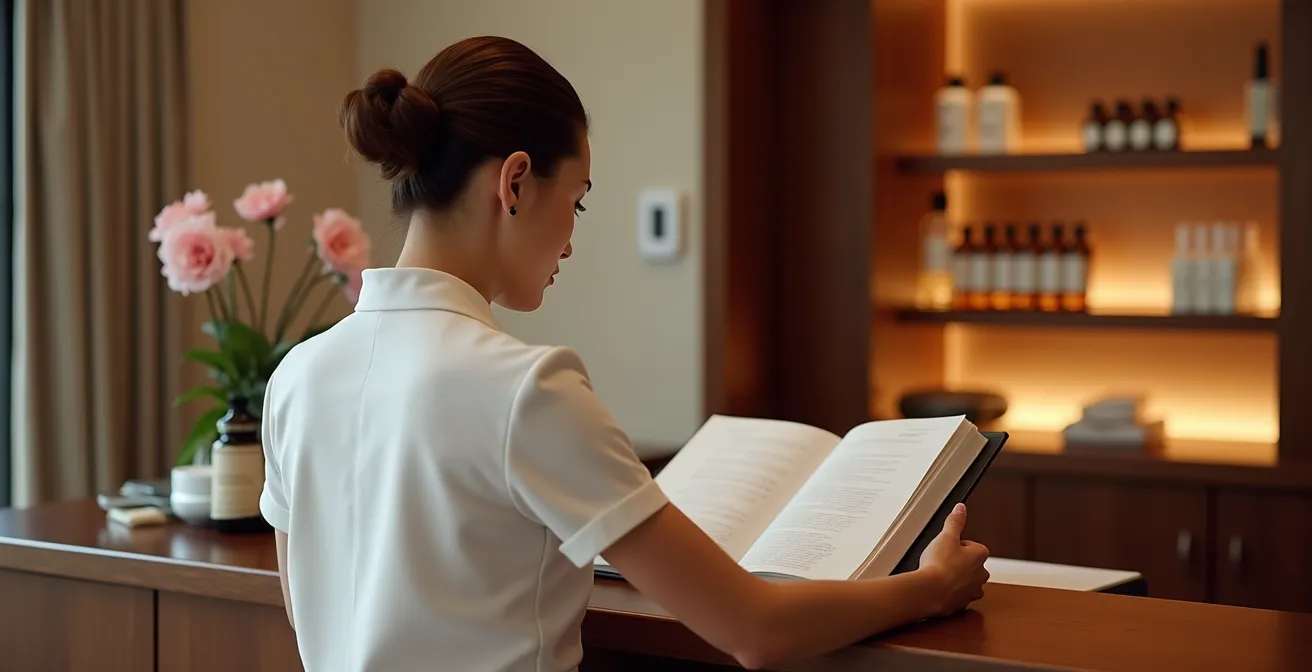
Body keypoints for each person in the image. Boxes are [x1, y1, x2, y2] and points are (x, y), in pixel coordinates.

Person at [259, 35, 989, 672]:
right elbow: (754, 631)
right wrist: (933, 586)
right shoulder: (527, 390)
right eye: (575, 201)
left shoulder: (297, 376)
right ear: (514, 182)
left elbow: (309, 610)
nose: (571, 241)